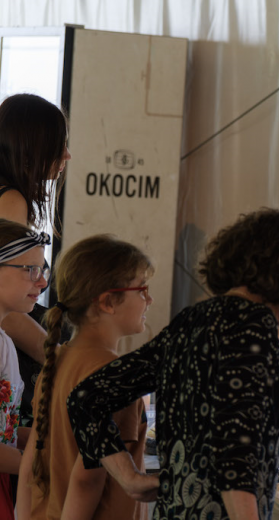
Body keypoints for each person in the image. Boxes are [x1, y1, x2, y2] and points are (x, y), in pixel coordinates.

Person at [67, 209, 279, 520]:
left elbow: (87, 398)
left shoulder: (190, 322)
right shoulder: (253, 333)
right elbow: (236, 460)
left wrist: (130, 478)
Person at [16, 235, 153, 520]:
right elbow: (88, 478)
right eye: (141, 290)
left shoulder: (59, 360)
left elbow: (30, 461)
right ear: (108, 302)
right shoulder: (115, 378)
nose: (149, 299)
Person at [0, 93, 71, 427]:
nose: (67, 156)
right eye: (59, 146)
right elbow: (6, 314)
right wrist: (59, 357)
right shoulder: (11, 199)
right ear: (31, 149)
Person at [0, 220, 51, 519]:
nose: (42, 282)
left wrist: (49, 442)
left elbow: (3, 430)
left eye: (42, 270)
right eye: (30, 270)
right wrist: (48, 464)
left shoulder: (5, 342)